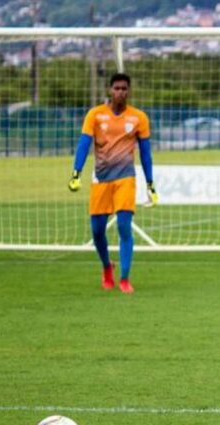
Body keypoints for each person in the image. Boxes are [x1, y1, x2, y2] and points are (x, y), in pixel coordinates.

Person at [68, 72, 158, 293]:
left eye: (124, 89)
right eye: (117, 88)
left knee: (124, 226)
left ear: (129, 91)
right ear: (110, 90)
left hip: (125, 178)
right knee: (97, 231)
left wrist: (150, 184)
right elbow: (83, 144)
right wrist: (76, 172)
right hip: (101, 179)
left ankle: (125, 278)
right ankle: (107, 266)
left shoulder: (139, 118)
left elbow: (146, 153)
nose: (120, 92)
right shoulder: (95, 115)